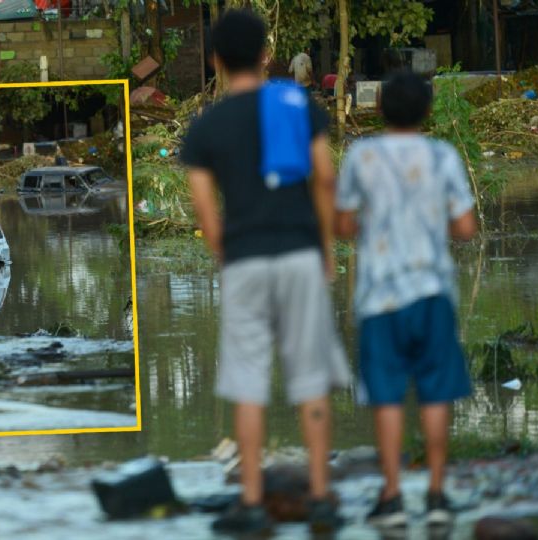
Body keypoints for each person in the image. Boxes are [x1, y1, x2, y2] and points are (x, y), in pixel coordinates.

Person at [181, 10, 350, 535]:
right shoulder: (297, 104)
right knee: (311, 380)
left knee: (248, 383)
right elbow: (324, 179)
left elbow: (207, 212)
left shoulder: (206, 126)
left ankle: (252, 504)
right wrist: (324, 247)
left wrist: (227, 258)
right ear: (265, 56)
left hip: (245, 262)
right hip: (299, 253)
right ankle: (321, 496)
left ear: (215, 61)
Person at [335, 71, 478, 528]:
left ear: (379, 110)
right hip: (432, 293)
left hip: (380, 297)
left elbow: (341, 224)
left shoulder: (362, 154)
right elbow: (465, 229)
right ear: (427, 112)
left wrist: (375, 227)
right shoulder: (442, 156)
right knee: (436, 393)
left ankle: (392, 496)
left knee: (388, 396)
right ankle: (436, 494)